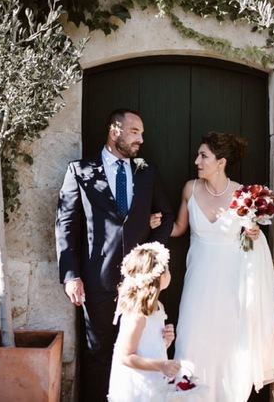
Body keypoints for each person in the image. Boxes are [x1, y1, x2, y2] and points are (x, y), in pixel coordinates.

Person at [153, 131, 274, 401]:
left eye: (204, 156)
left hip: (232, 279)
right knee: (191, 337)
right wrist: (155, 224)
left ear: (220, 162)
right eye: (198, 155)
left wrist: (254, 234)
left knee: (229, 342)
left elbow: (251, 235)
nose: (197, 161)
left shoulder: (243, 195)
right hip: (199, 278)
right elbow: (178, 228)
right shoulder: (190, 188)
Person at [56, 108, 174, 402]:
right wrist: (71, 275)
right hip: (98, 280)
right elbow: (65, 226)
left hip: (140, 284)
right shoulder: (80, 171)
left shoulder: (147, 172)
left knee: (140, 349)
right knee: (97, 354)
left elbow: (166, 216)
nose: (141, 140)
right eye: (135, 132)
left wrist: (152, 256)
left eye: (142, 133)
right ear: (115, 131)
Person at [107, 242, 181, 401]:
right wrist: (161, 365)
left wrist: (165, 340)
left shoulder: (157, 306)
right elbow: (125, 356)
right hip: (137, 384)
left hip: (152, 380)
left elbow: (147, 345)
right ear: (161, 277)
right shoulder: (137, 314)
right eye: (167, 269)